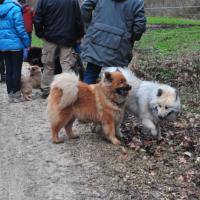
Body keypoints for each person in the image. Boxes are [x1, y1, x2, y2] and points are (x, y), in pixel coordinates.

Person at [81, 0, 146, 84]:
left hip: (96, 37)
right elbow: (139, 27)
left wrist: (89, 27)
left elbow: (85, 7)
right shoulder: (137, 2)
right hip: (120, 46)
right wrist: (130, 39)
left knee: (91, 74)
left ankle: (85, 96)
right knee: (116, 83)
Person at [34, 0, 85, 99]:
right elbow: (78, 18)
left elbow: (38, 18)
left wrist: (40, 33)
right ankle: (69, 89)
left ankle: (46, 90)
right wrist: (79, 35)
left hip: (49, 37)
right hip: (68, 37)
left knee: (48, 64)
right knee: (66, 64)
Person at [0, 0, 30, 103]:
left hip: (3, 45)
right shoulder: (15, 9)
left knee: (9, 69)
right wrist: (26, 42)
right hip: (16, 44)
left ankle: (10, 95)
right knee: (16, 70)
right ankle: (17, 95)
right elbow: (20, 28)